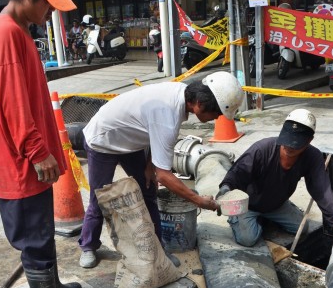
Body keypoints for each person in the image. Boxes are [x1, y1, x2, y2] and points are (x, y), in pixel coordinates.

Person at [0, 0, 81, 288]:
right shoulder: (6, 33)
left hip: (28, 156)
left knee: (42, 228)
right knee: (34, 236)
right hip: (21, 160)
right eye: (47, 4)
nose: (50, 12)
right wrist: (38, 152)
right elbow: (12, 103)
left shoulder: (17, 31)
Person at [78, 71, 245, 268]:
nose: (216, 119)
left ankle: (158, 249)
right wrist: (197, 200)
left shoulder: (182, 95)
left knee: (149, 190)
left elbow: (153, 132)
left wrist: (150, 164)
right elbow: (164, 176)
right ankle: (88, 245)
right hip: (103, 140)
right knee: (99, 199)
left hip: (132, 140)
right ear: (200, 104)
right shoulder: (168, 117)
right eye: (216, 114)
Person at [216, 108, 333, 247]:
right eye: (287, 140)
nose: (289, 147)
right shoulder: (262, 149)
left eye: (296, 143)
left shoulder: (312, 156)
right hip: (249, 205)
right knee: (248, 239)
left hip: (277, 204)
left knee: (302, 228)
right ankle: (242, 219)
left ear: (309, 140)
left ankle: (267, 217)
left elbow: (322, 190)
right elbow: (237, 173)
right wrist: (225, 190)